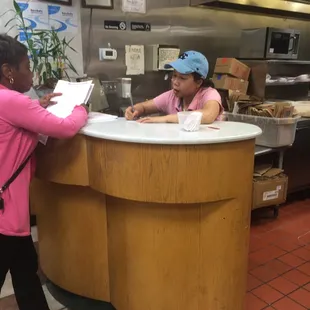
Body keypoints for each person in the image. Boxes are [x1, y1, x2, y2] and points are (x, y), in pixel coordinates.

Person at [0, 34, 88, 310]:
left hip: (10, 215)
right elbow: (65, 128)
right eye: (26, 66)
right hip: (6, 214)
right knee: (23, 270)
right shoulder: (13, 101)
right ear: (8, 71)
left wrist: (38, 107)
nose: (31, 72)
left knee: (26, 272)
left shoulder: (8, 101)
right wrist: (80, 109)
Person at [125, 50, 222, 123]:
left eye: (182, 78)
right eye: (174, 75)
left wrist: (165, 119)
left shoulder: (209, 94)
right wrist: (135, 109)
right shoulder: (172, 96)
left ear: (198, 82)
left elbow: (208, 115)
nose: (175, 82)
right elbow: (144, 107)